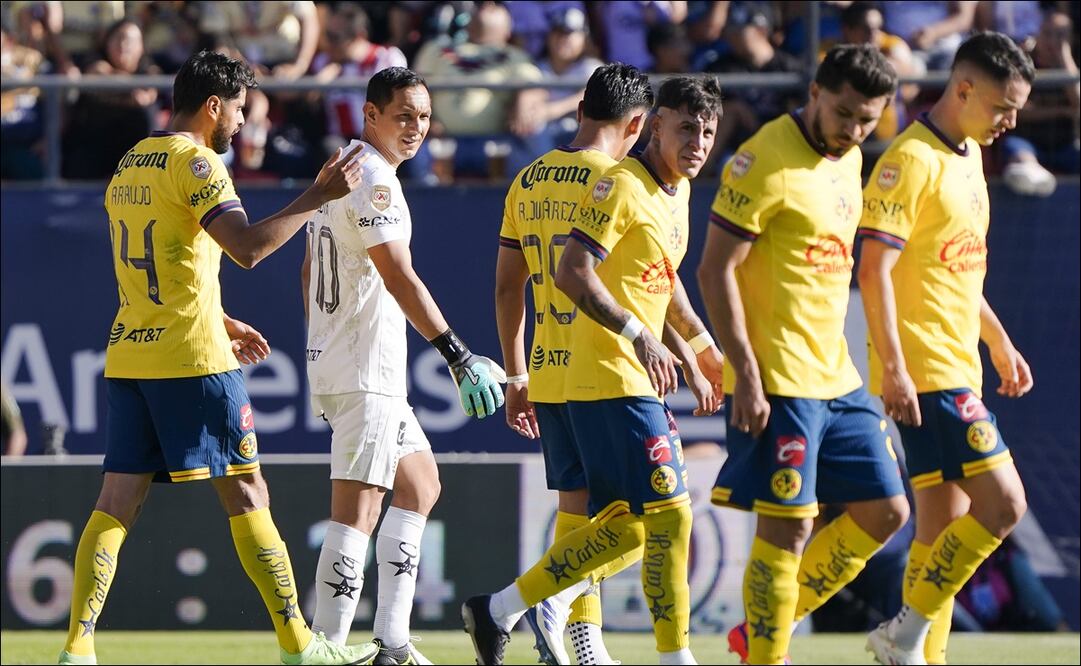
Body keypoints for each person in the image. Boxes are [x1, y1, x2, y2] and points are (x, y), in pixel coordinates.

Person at [58, 49, 374, 666]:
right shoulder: (198, 163)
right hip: (193, 360)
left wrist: (219, 317)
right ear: (212, 106)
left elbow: (158, 260)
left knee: (116, 501)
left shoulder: (132, 162)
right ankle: (299, 645)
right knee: (249, 492)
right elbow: (248, 250)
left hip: (131, 354)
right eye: (238, 109)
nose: (241, 123)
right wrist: (318, 194)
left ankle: (77, 649)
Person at [466, 75, 726, 666]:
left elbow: (510, 285)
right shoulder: (616, 181)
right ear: (644, 127)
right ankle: (575, 628)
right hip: (611, 367)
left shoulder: (526, 179)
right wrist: (660, 340)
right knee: (657, 517)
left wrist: (516, 374)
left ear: (580, 107)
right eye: (686, 127)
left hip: (552, 369)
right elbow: (606, 277)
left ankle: (563, 634)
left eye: (707, 131)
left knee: (592, 518)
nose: (698, 141)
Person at [696, 44, 909, 666]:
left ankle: (761, 630)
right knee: (787, 526)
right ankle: (764, 654)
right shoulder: (762, 160)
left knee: (886, 510)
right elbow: (714, 272)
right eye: (844, 113)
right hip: (780, 379)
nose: (854, 130)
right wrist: (746, 374)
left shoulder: (852, 160)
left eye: (868, 120)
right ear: (815, 92)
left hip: (839, 378)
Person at [302, 66, 506, 666]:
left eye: (423, 115)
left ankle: (391, 642)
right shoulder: (372, 178)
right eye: (403, 115)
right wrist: (457, 354)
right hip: (364, 367)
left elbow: (311, 271)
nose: (416, 127)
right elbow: (397, 275)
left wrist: (319, 337)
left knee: (420, 486)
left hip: (357, 362)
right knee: (358, 509)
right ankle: (330, 648)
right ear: (371, 115)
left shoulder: (344, 169)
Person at [859, 32, 1036, 666]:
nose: (1011, 122)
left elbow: (958, 271)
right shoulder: (909, 160)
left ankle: (915, 657)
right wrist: (896, 368)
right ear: (962, 89)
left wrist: (999, 341)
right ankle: (903, 639)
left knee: (937, 536)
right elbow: (873, 268)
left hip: (959, 365)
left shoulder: (966, 159)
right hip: (929, 371)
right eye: (1002, 107)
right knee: (1005, 504)